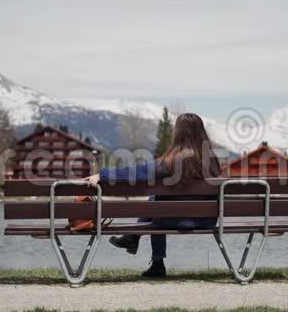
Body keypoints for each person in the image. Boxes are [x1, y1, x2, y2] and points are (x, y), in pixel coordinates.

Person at [83, 113, 220, 277]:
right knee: (156, 202)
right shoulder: (212, 161)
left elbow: (136, 173)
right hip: (206, 220)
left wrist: (103, 175)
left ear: (178, 133)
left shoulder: (170, 161)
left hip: (173, 220)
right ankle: (133, 239)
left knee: (157, 206)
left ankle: (152, 259)